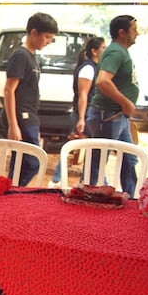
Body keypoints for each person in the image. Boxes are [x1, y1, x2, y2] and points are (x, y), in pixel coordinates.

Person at [85, 14, 140, 195]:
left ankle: (131, 199)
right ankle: (87, 197)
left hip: (117, 116)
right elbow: (103, 81)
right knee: (98, 162)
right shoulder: (116, 51)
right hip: (108, 115)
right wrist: (125, 102)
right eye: (134, 30)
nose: (137, 33)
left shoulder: (120, 51)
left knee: (129, 159)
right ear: (122, 32)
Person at [2, 12, 59, 186]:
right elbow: (8, 90)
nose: (48, 41)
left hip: (30, 116)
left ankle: (10, 193)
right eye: (47, 37)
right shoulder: (21, 56)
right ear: (34, 33)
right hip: (21, 116)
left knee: (19, 162)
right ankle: (12, 191)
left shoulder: (32, 57)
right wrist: (13, 125)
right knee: (34, 161)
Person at [49, 36, 106, 186]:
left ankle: (74, 179)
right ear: (94, 51)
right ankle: (57, 179)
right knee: (81, 145)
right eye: (103, 48)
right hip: (85, 113)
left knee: (87, 146)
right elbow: (83, 94)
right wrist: (81, 118)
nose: (105, 51)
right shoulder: (88, 69)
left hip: (87, 113)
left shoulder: (94, 67)